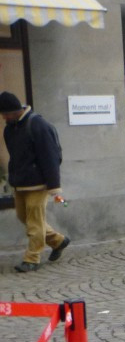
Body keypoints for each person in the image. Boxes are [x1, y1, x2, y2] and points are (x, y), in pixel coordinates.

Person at [1, 91, 70, 272]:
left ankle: (32, 258)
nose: (3, 118)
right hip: (20, 182)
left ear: (14, 111)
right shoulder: (9, 128)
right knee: (23, 216)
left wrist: (54, 186)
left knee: (34, 221)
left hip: (38, 183)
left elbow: (50, 156)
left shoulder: (38, 125)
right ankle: (58, 241)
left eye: (5, 114)